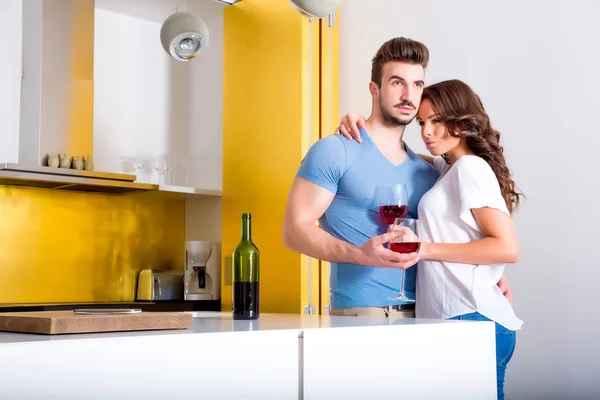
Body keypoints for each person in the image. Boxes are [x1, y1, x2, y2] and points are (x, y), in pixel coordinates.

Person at [337, 79, 523, 400]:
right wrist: (361, 126)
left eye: (437, 121)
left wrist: (422, 249)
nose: (426, 131)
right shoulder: (448, 168)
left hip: (470, 319)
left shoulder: (469, 168)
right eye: (422, 122)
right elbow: (400, 153)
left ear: (462, 120)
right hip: (461, 319)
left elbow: (506, 247)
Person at [282, 37, 439, 319]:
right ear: (374, 89)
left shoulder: (427, 171)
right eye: (397, 82)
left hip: (427, 312)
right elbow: (294, 231)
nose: (408, 94)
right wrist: (360, 254)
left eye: (417, 84)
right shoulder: (335, 150)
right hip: (362, 314)